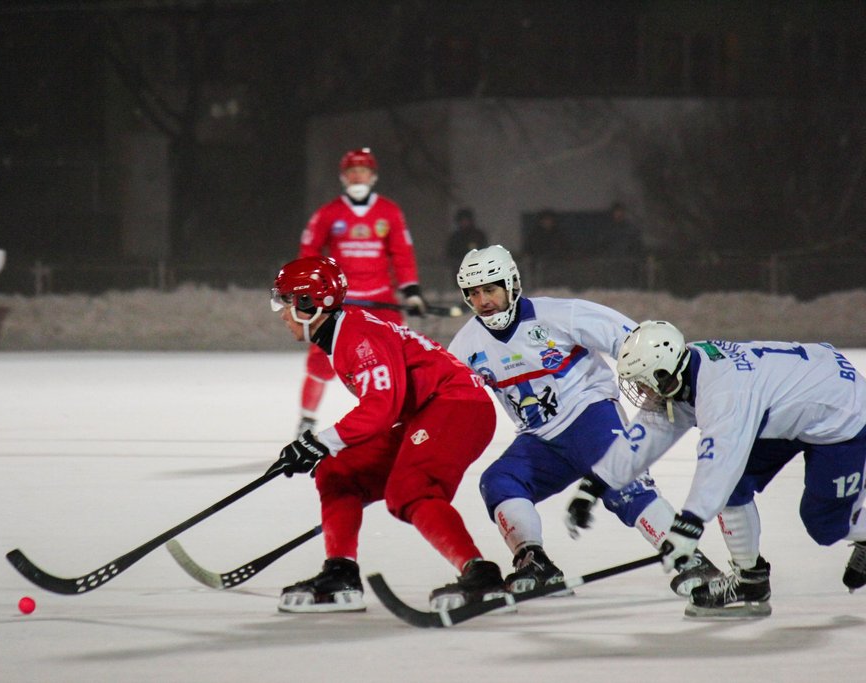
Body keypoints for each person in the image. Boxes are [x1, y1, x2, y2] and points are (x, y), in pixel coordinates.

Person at [447, 246, 719, 597]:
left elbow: (629, 337)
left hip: (589, 416)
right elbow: (446, 394)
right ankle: (533, 560)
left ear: (512, 284)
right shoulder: (465, 344)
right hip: (540, 439)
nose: (483, 300)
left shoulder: (560, 314)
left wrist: (662, 376)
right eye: (474, 293)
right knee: (499, 481)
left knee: (623, 485)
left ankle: (690, 558)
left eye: (491, 289)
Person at [565, 320, 866, 618]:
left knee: (824, 525)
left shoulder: (723, 395)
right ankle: (750, 579)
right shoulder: (687, 368)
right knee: (733, 488)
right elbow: (644, 435)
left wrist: (689, 524)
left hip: (842, 416)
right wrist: (594, 484)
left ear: (661, 373)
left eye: (643, 383)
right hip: (793, 405)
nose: (642, 393)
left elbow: (719, 462)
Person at [267, 255, 503, 613]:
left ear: (309, 304)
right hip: (432, 410)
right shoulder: (347, 333)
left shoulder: (356, 337)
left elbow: (380, 410)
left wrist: (320, 442)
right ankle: (341, 573)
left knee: (409, 490)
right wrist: (324, 449)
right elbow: (385, 407)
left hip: (456, 406)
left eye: (286, 301)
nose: (281, 312)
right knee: (338, 471)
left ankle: (481, 575)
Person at [294, 147, 427, 437]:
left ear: (373, 176)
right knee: (321, 361)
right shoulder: (329, 213)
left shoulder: (389, 211)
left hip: (382, 302)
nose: (357, 176)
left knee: (398, 358)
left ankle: (408, 417)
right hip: (339, 303)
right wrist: (309, 287)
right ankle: (306, 421)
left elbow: (402, 253)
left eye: (363, 171)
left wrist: (411, 291)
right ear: (344, 177)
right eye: (352, 171)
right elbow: (309, 251)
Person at [444, 207, 488, 273]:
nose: (464, 223)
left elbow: (484, 250)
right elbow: (450, 253)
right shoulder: (455, 237)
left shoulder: (478, 235)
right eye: (462, 220)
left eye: (466, 220)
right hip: (460, 269)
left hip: (477, 269)